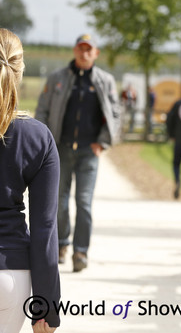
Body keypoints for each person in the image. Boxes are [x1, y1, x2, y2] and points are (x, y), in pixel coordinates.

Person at [35, 34, 120, 273]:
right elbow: (42, 110)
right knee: (59, 201)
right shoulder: (57, 79)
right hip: (59, 150)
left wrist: (103, 142)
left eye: (89, 50)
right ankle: (62, 244)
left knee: (84, 203)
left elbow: (115, 114)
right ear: (74, 50)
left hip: (88, 152)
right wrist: (44, 142)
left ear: (96, 53)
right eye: (81, 49)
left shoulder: (105, 81)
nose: (84, 53)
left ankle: (80, 252)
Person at [0, 29, 61, 332]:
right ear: (20, 71)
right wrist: (47, 307)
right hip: (10, 277)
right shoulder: (37, 137)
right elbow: (45, 228)